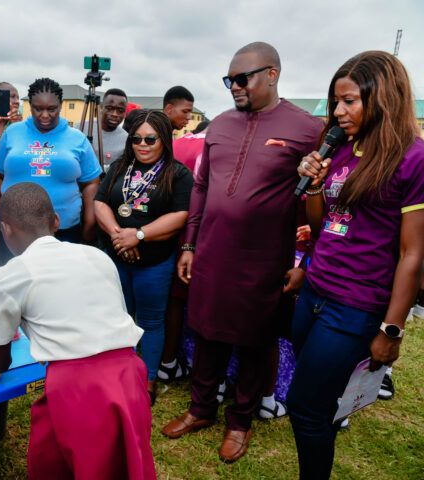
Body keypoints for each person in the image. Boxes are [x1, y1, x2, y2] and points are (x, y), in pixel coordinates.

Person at [161, 42, 323, 463]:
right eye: (228, 79)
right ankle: (200, 409)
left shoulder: (307, 128)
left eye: (242, 78)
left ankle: (240, 421)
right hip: (212, 250)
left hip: (264, 256)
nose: (233, 86)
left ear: (272, 74)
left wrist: (304, 262)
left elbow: (321, 198)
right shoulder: (220, 126)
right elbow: (201, 187)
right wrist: (191, 244)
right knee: (207, 329)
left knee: (255, 339)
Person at [288, 50, 424, 480]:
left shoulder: (412, 157)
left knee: (305, 409)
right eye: (335, 101)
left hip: (356, 306)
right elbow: (324, 223)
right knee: (319, 401)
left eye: (349, 101)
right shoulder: (342, 148)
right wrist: (313, 184)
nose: (338, 111)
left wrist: (392, 328)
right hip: (314, 293)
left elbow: (413, 254)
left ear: (382, 98)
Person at [0, 182, 156, 480]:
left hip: (78, 389)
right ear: (56, 221)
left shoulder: (6, 277)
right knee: (122, 464)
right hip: (129, 374)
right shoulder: (98, 257)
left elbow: (0, 362)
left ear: (5, 229)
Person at [94, 109, 193, 404]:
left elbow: (181, 215)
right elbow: (100, 202)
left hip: (155, 263)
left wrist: (138, 235)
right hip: (117, 259)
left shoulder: (177, 173)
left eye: (151, 139)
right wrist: (118, 234)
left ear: (164, 139)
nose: (143, 144)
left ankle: (148, 378)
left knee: (150, 321)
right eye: (136, 138)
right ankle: (118, 375)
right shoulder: (119, 167)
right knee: (118, 318)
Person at [0, 78, 101, 245]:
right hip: (15, 227)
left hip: (64, 229)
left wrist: (89, 222)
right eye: (37, 109)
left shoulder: (77, 138)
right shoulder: (12, 132)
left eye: (51, 109)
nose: (44, 115)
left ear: (61, 105)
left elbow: (91, 182)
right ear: (30, 106)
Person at [157, 119, 208, 384]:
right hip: (202, 229)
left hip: (167, 226)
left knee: (172, 298)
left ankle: (167, 358)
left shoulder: (176, 144)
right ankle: (202, 368)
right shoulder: (214, 145)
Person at [76, 88, 129, 171]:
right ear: (101, 107)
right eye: (109, 108)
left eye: (120, 110)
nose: (115, 114)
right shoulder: (81, 127)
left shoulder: (126, 139)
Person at [0, 81, 22, 151]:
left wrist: (18, 125)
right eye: (12, 97)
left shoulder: (20, 123)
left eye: (17, 98)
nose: (17, 101)